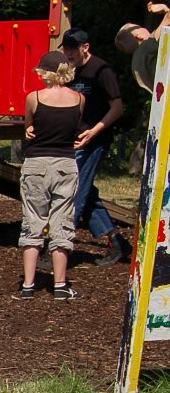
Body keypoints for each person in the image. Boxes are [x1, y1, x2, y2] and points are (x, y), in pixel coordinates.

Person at [60, 27, 131, 267]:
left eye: (72, 49)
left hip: (95, 139)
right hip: (76, 137)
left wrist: (94, 131)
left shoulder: (101, 70)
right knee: (86, 191)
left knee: (76, 191)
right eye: (65, 48)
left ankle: (61, 248)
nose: (68, 53)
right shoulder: (70, 70)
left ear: (85, 47)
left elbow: (117, 108)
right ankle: (116, 241)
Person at [16, 51, 84, 300]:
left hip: (36, 163)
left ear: (49, 72)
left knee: (33, 222)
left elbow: (29, 128)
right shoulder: (79, 99)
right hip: (65, 163)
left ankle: (28, 285)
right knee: (62, 224)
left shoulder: (34, 98)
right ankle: (60, 285)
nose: (40, 75)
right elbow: (75, 128)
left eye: (42, 71)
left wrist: (31, 129)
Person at [115, 2, 170, 94]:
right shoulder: (146, 46)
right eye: (140, 27)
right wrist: (165, 9)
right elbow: (168, 19)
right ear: (139, 36)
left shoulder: (136, 63)